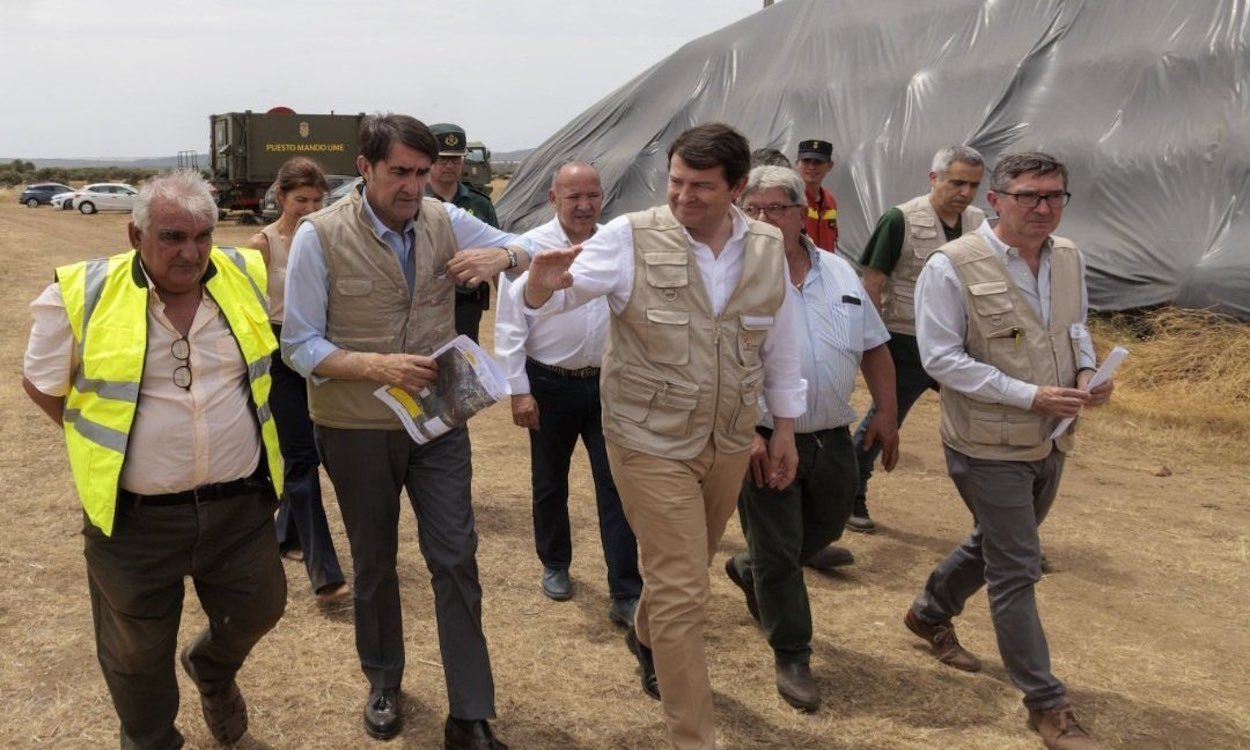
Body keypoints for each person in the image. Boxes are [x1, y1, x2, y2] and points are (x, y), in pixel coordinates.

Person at [520, 123, 806, 750]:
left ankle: (644, 631)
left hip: (729, 439)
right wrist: (540, 283)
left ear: (736, 188)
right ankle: (691, 737)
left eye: (701, 187)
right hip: (647, 439)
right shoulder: (628, 237)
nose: (683, 197)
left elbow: (780, 344)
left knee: (688, 568)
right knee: (683, 589)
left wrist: (782, 426)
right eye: (676, 182)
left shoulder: (765, 248)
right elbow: (555, 296)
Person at [282, 113, 535, 749]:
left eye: (423, 173)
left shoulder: (443, 220)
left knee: (455, 557)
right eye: (401, 172)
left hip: (437, 424)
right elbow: (299, 344)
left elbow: (530, 244)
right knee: (374, 564)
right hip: (354, 426)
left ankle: (471, 713)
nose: (414, 186)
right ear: (365, 169)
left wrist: (502, 253)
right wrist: (373, 364)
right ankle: (384, 682)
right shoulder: (320, 236)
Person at [21, 170, 287, 749]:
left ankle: (211, 669)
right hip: (134, 521)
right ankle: (151, 740)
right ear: (134, 234)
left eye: (201, 236)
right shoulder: (81, 293)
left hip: (239, 509)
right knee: (136, 653)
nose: (189, 253)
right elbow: (41, 384)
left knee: (261, 607)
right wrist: (109, 446)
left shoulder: (245, 275)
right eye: (171, 237)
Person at [904, 152, 1110, 750]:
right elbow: (939, 358)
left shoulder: (1067, 256)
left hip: (1051, 437)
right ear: (994, 202)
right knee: (1016, 566)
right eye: (1028, 196)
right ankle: (1047, 705)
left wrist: (1092, 370)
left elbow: (1076, 326)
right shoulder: (952, 266)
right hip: (986, 441)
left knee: (996, 541)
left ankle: (928, 610)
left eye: (1054, 196)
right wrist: (1030, 395)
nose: (1043, 208)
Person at [723, 165, 898, 711]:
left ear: (802, 213)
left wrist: (887, 414)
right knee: (779, 551)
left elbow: (872, 345)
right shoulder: (731, 276)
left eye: (777, 208)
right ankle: (793, 653)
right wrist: (748, 429)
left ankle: (748, 568)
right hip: (765, 434)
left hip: (831, 435)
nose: (765, 219)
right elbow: (718, 363)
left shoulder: (842, 274)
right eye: (753, 210)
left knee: (817, 535)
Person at [494, 161, 643, 624]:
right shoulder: (529, 251)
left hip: (606, 386)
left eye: (592, 195)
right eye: (573, 196)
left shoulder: (616, 246)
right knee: (549, 482)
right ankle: (555, 563)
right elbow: (509, 324)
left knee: (617, 485)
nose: (583, 205)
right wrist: (519, 390)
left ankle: (625, 588)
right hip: (548, 384)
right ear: (552, 198)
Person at [850, 145, 987, 531]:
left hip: (960, 342)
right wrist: (874, 341)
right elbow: (872, 282)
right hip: (905, 339)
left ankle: (996, 519)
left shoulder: (979, 223)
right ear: (934, 178)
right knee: (883, 420)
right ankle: (849, 494)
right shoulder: (900, 219)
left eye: (973, 185)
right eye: (957, 182)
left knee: (981, 426)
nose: (964, 192)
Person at [245, 156, 350, 606]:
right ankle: (324, 572)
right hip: (277, 354)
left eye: (315, 200)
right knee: (303, 458)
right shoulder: (262, 244)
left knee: (316, 451)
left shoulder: (327, 238)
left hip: (322, 353)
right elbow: (247, 309)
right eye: (299, 200)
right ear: (280, 196)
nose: (308, 208)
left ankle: (283, 535)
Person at [426, 122, 500, 343]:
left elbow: (498, 251)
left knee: (466, 362)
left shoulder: (480, 204)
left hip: (467, 305)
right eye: (443, 159)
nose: (450, 165)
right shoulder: (414, 201)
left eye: (456, 159)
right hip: (425, 305)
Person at [795, 138, 838, 252]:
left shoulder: (830, 201)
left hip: (826, 266)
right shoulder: (791, 199)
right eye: (806, 161)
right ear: (797, 163)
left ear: (830, 165)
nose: (811, 167)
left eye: (818, 162)